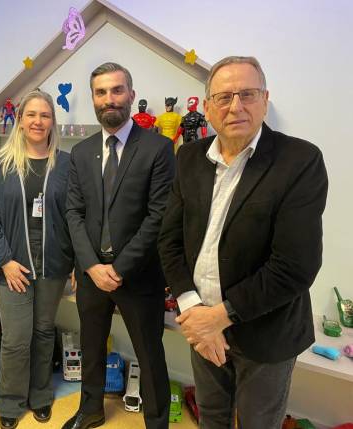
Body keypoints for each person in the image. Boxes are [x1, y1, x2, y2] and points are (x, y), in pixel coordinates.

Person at [158, 56, 328, 428]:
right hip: (201, 322)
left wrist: (216, 318)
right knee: (211, 417)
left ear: (265, 100)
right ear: (207, 108)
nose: (235, 106)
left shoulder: (299, 160)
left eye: (247, 94)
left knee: (258, 423)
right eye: (224, 97)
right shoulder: (189, 157)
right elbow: (169, 240)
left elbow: (295, 266)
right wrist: (192, 308)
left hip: (266, 332)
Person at [63, 62, 175, 429]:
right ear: (93, 98)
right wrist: (91, 265)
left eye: (116, 90)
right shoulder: (81, 152)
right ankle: (90, 409)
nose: (108, 99)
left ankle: (156, 422)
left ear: (131, 94)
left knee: (150, 353)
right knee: (92, 346)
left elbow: (158, 216)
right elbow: (74, 212)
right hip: (92, 273)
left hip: (138, 276)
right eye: (100, 92)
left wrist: (119, 268)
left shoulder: (159, 148)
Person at [0, 89, 74, 429]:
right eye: (31, 114)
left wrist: (77, 262)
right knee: (16, 338)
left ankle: (41, 396)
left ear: (52, 122)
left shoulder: (67, 165)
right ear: (20, 120)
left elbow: (76, 216)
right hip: (14, 266)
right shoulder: (1, 168)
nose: (38, 121)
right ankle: (10, 401)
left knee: (44, 331)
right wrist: (4, 261)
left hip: (53, 264)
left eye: (44, 115)